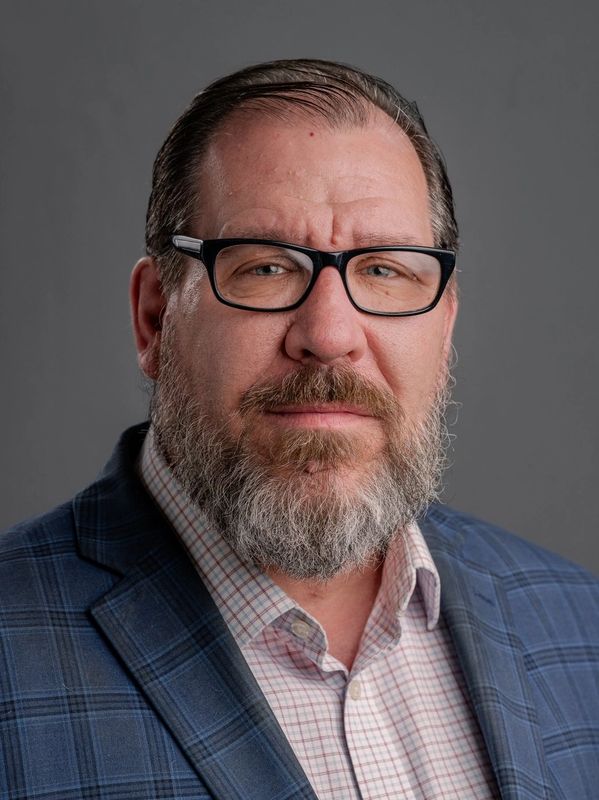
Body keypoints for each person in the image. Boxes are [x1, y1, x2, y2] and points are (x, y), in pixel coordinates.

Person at [1, 59, 597, 800]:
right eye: (265, 268)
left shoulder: (580, 625)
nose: (329, 334)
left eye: (383, 270)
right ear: (155, 317)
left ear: (443, 329)